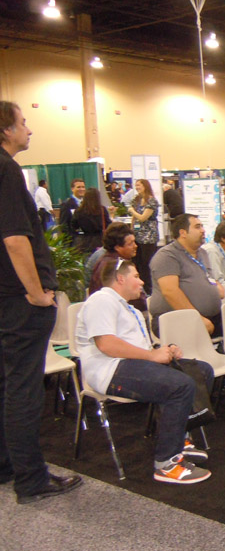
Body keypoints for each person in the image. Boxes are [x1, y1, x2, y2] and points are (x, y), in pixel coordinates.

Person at [0, 100, 82, 503]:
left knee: (7, 384)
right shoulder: (7, 169)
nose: (29, 129)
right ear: (6, 130)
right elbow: (16, 239)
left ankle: (7, 466)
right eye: (24, 122)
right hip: (20, 300)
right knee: (24, 389)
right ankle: (31, 479)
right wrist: (36, 293)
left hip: (6, 298)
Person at [75, 260, 212, 484]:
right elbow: (106, 345)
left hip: (132, 364)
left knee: (201, 372)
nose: (141, 282)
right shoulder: (101, 300)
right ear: (120, 278)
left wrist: (164, 350)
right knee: (180, 385)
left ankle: (179, 440)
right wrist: (152, 356)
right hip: (109, 369)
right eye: (137, 276)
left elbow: (140, 347)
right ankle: (166, 463)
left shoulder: (130, 309)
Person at [149, 214, 225, 337]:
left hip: (211, 317)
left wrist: (216, 287)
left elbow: (208, 277)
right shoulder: (167, 256)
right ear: (183, 233)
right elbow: (170, 291)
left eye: (202, 226)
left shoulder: (202, 253)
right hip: (176, 319)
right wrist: (197, 318)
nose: (203, 230)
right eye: (197, 227)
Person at [88, 222, 147, 310]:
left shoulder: (106, 260)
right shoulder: (115, 266)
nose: (135, 246)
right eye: (130, 243)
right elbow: (136, 300)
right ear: (117, 247)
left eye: (134, 242)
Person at [128, 179, 160, 294]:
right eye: (136, 185)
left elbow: (142, 218)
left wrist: (132, 211)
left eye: (139, 185)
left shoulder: (151, 201)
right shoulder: (136, 200)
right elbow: (135, 218)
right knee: (138, 263)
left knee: (147, 264)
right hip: (137, 235)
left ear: (145, 186)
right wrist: (131, 230)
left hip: (148, 237)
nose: (137, 187)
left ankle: (149, 289)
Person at [70, 186, 112, 256]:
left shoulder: (79, 211)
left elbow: (74, 226)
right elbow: (108, 224)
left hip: (84, 241)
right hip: (100, 240)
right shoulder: (102, 210)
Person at [58, 178, 86, 245]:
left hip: (87, 241)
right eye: (78, 187)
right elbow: (63, 225)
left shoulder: (87, 203)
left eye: (83, 187)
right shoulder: (66, 204)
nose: (81, 189)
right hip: (73, 241)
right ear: (72, 189)